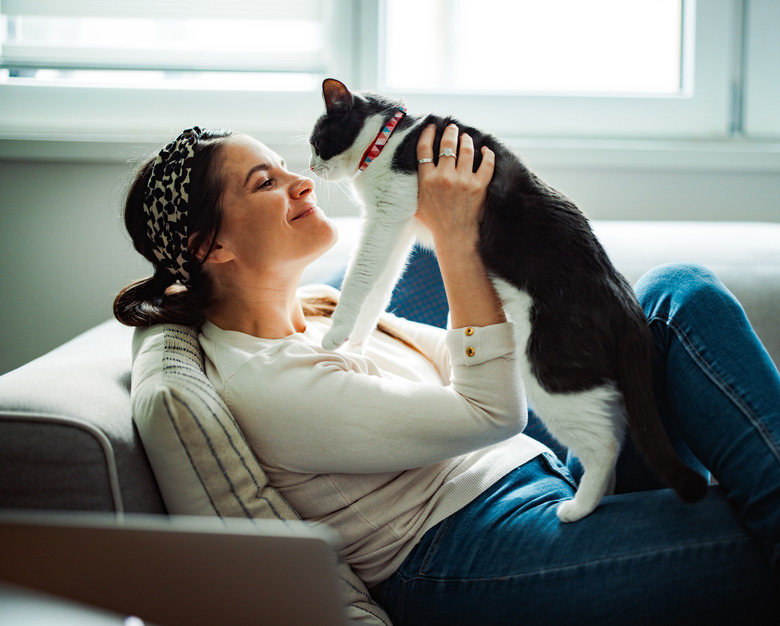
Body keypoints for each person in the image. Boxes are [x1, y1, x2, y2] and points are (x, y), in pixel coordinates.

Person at [115, 125, 780, 624]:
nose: (303, 182)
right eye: (265, 182)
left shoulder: (325, 312)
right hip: (468, 557)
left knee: (674, 292)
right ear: (211, 246)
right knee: (745, 538)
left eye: (288, 167)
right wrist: (455, 236)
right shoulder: (265, 384)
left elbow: (491, 366)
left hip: (548, 483)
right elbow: (492, 412)